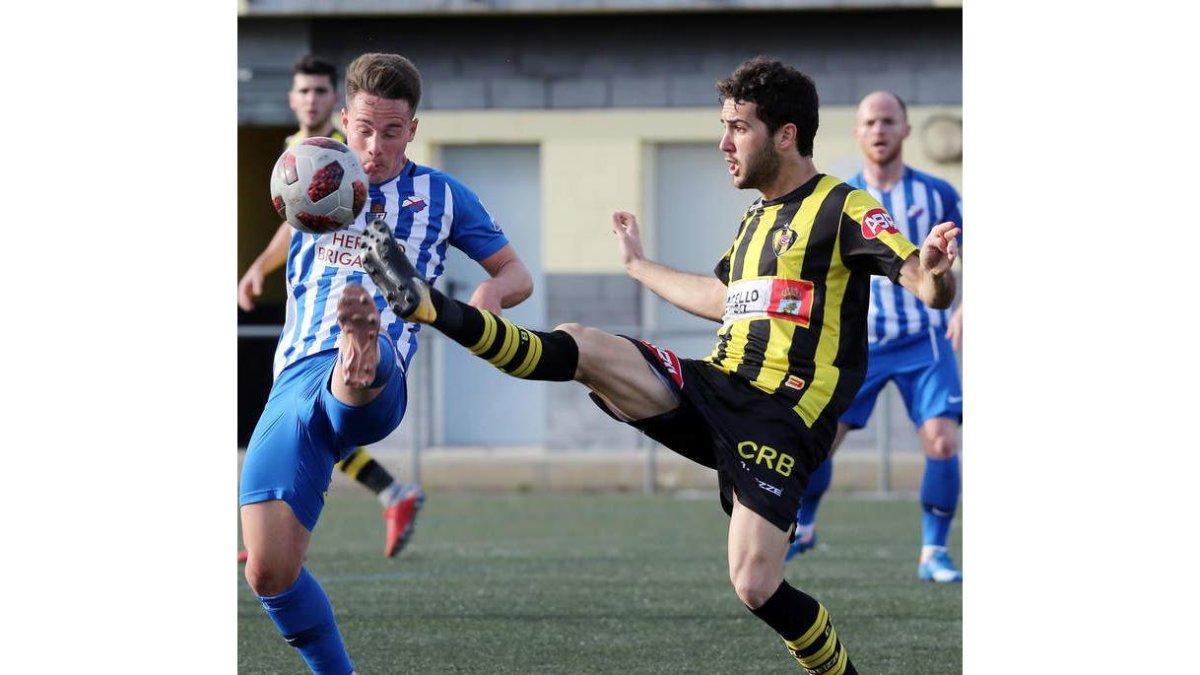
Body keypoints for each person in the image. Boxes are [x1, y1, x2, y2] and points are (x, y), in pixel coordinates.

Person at [359, 57, 957, 674]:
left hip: (779, 421)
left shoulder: (845, 205)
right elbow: (722, 300)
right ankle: (433, 307)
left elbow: (922, 279)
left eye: (738, 127)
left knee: (755, 586)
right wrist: (638, 266)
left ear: (785, 134)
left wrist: (938, 277)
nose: (724, 142)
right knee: (582, 345)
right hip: (715, 387)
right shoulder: (756, 220)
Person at [239, 52, 533, 674]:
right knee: (270, 571)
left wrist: (489, 295)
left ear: (414, 129)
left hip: (380, 382)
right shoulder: (314, 175)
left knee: (355, 372)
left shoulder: (442, 196)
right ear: (344, 119)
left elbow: (515, 272)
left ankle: (362, 343)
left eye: (391, 132)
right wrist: (257, 270)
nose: (374, 146)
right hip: (292, 380)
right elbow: (285, 230)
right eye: (363, 130)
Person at [237, 54, 424, 561]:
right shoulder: (297, 154)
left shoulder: (346, 156)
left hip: (351, 311)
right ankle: (381, 492)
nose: (312, 100)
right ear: (293, 99)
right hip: (310, 301)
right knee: (308, 418)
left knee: (318, 414)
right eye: (305, 92)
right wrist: (262, 266)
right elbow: (297, 217)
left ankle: (285, 513)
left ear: (334, 106)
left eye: (321, 91)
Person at [784, 91, 965, 584]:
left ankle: (933, 553)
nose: (880, 129)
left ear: (906, 129)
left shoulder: (938, 194)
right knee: (815, 446)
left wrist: (965, 307)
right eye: (870, 122)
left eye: (889, 121)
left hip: (923, 343)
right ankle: (803, 528)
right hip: (855, 345)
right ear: (858, 133)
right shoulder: (840, 198)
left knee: (943, 443)